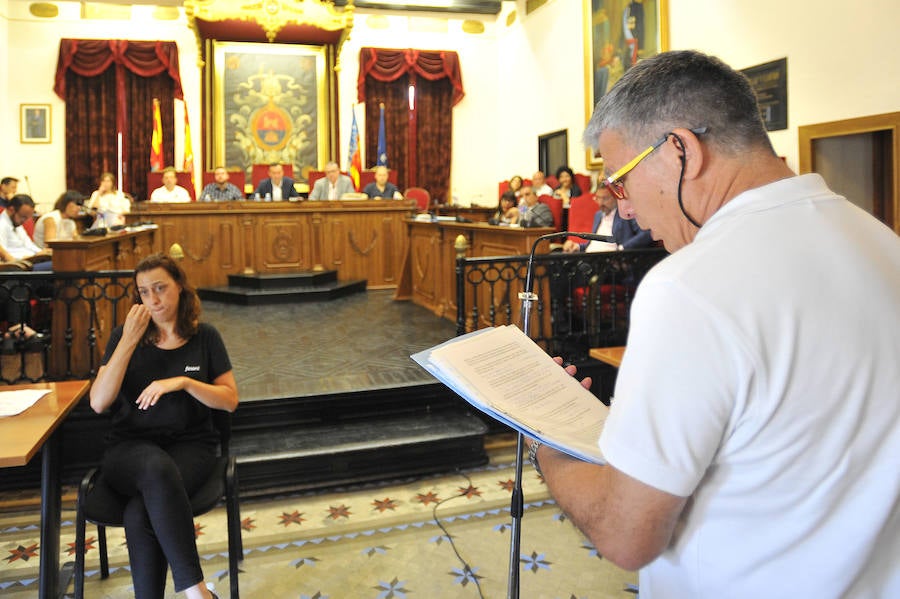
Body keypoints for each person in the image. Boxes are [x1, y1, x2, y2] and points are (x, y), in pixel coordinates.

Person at [529, 50, 900, 598]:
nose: (623, 209)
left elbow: (626, 535)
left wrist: (546, 444)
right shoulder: (878, 240)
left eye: (621, 181)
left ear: (681, 150)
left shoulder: (689, 287)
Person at [89, 253, 238, 599]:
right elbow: (99, 402)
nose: (153, 300)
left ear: (180, 287)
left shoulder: (206, 338)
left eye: (160, 288)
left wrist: (183, 383)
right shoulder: (123, 337)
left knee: (141, 510)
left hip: (192, 447)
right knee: (154, 468)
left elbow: (229, 400)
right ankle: (196, 591)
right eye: (143, 292)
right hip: (128, 450)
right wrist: (128, 340)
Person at [562, 183, 652, 252]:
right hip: (589, 258)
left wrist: (622, 249)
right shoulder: (598, 215)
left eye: (605, 198)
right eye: (598, 198)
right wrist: (577, 246)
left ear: (615, 198)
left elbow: (646, 234)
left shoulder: (625, 214)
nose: (600, 203)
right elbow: (593, 243)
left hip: (611, 262)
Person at [0, 194, 52, 269]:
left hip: (30, 261)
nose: (24, 221)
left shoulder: (17, 224)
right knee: (58, 266)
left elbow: (28, 244)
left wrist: (42, 252)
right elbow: (4, 257)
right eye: (23, 217)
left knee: (62, 261)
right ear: (11, 210)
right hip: (20, 266)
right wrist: (32, 256)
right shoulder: (2, 225)